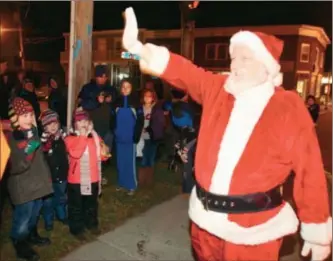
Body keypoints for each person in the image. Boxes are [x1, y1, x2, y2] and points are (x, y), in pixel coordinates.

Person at [122, 8, 332, 261]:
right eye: (234, 58)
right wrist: (141, 48)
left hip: (253, 232)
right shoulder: (219, 89)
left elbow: (310, 170)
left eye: (246, 58)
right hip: (204, 222)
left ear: (267, 66)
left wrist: (316, 226)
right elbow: (187, 73)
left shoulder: (286, 106)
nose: (235, 65)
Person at [7, 97, 53, 261]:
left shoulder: (33, 131)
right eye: (23, 115)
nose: (28, 118)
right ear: (15, 118)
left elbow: (39, 159)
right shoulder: (13, 138)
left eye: (30, 114)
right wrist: (29, 151)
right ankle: (19, 241)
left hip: (38, 183)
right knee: (24, 217)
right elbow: (16, 166)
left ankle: (31, 234)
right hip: (23, 187)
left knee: (34, 214)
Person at [64, 108, 110, 239]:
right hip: (76, 180)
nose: (83, 123)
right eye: (79, 121)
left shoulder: (94, 137)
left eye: (85, 120)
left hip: (92, 178)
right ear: (75, 124)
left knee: (91, 204)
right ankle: (77, 229)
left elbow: (103, 156)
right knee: (76, 206)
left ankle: (91, 224)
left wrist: (104, 150)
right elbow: (76, 153)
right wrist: (83, 136)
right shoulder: (70, 138)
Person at [39, 109, 69, 231]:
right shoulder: (43, 142)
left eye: (55, 123)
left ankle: (61, 215)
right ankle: (48, 220)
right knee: (48, 201)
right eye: (49, 124)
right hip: (48, 177)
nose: (53, 126)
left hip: (62, 174)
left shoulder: (63, 138)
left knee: (62, 197)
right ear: (44, 126)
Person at [111, 79, 141, 195]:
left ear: (132, 88)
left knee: (129, 161)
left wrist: (136, 135)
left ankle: (131, 185)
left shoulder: (135, 103)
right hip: (119, 137)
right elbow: (112, 118)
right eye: (123, 87)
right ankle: (121, 183)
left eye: (128, 87)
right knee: (120, 161)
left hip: (130, 138)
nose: (125, 89)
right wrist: (114, 131)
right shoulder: (116, 103)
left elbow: (140, 120)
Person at [137, 88, 165, 187]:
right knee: (144, 158)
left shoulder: (156, 109)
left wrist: (149, 129)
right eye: (145, 96)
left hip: (152, 137)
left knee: (151, 158)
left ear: (153, 98)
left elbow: (159, 123)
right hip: (142, 137)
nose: (147, 98)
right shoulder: (140, 108)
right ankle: (142, 180)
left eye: (149, 96)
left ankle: (149, 180)